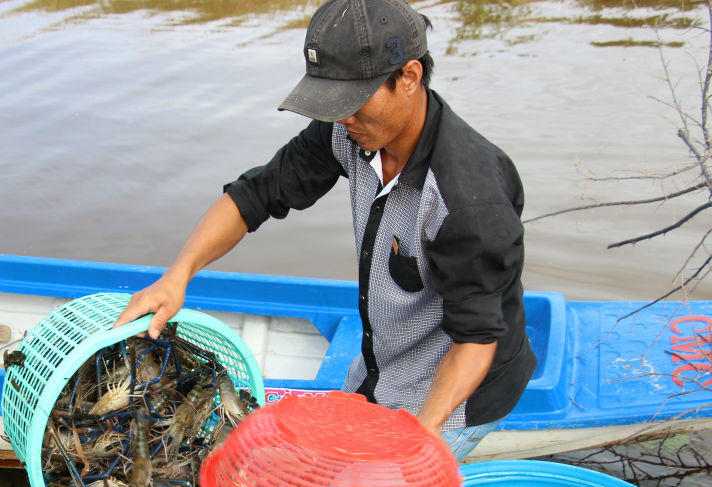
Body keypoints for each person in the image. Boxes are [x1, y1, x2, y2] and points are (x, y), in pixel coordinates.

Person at [113, 0, 537, 460]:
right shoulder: (350, 133)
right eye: (331, 104)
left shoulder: (468, 200)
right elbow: (255, 195)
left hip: (454, 396)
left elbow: (475, 340)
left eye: (352, 102)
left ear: (409, 78)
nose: (342, 118)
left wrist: (423, 434)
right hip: (384, 362)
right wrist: (177, 277)